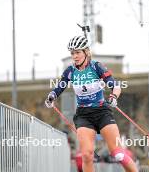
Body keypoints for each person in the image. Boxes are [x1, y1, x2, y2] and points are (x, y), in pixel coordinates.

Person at [45, 35, 138, 172]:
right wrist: (51, 97)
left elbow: (115, 85)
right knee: (87, 155)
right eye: (72, 53)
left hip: (102, 112)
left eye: (78, 52)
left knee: (118, 154)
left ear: (86, 52)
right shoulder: (70, 71)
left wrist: (113, 96)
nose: (75, 56)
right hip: (84, 115)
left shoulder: (96, 67)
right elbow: (59, 87)